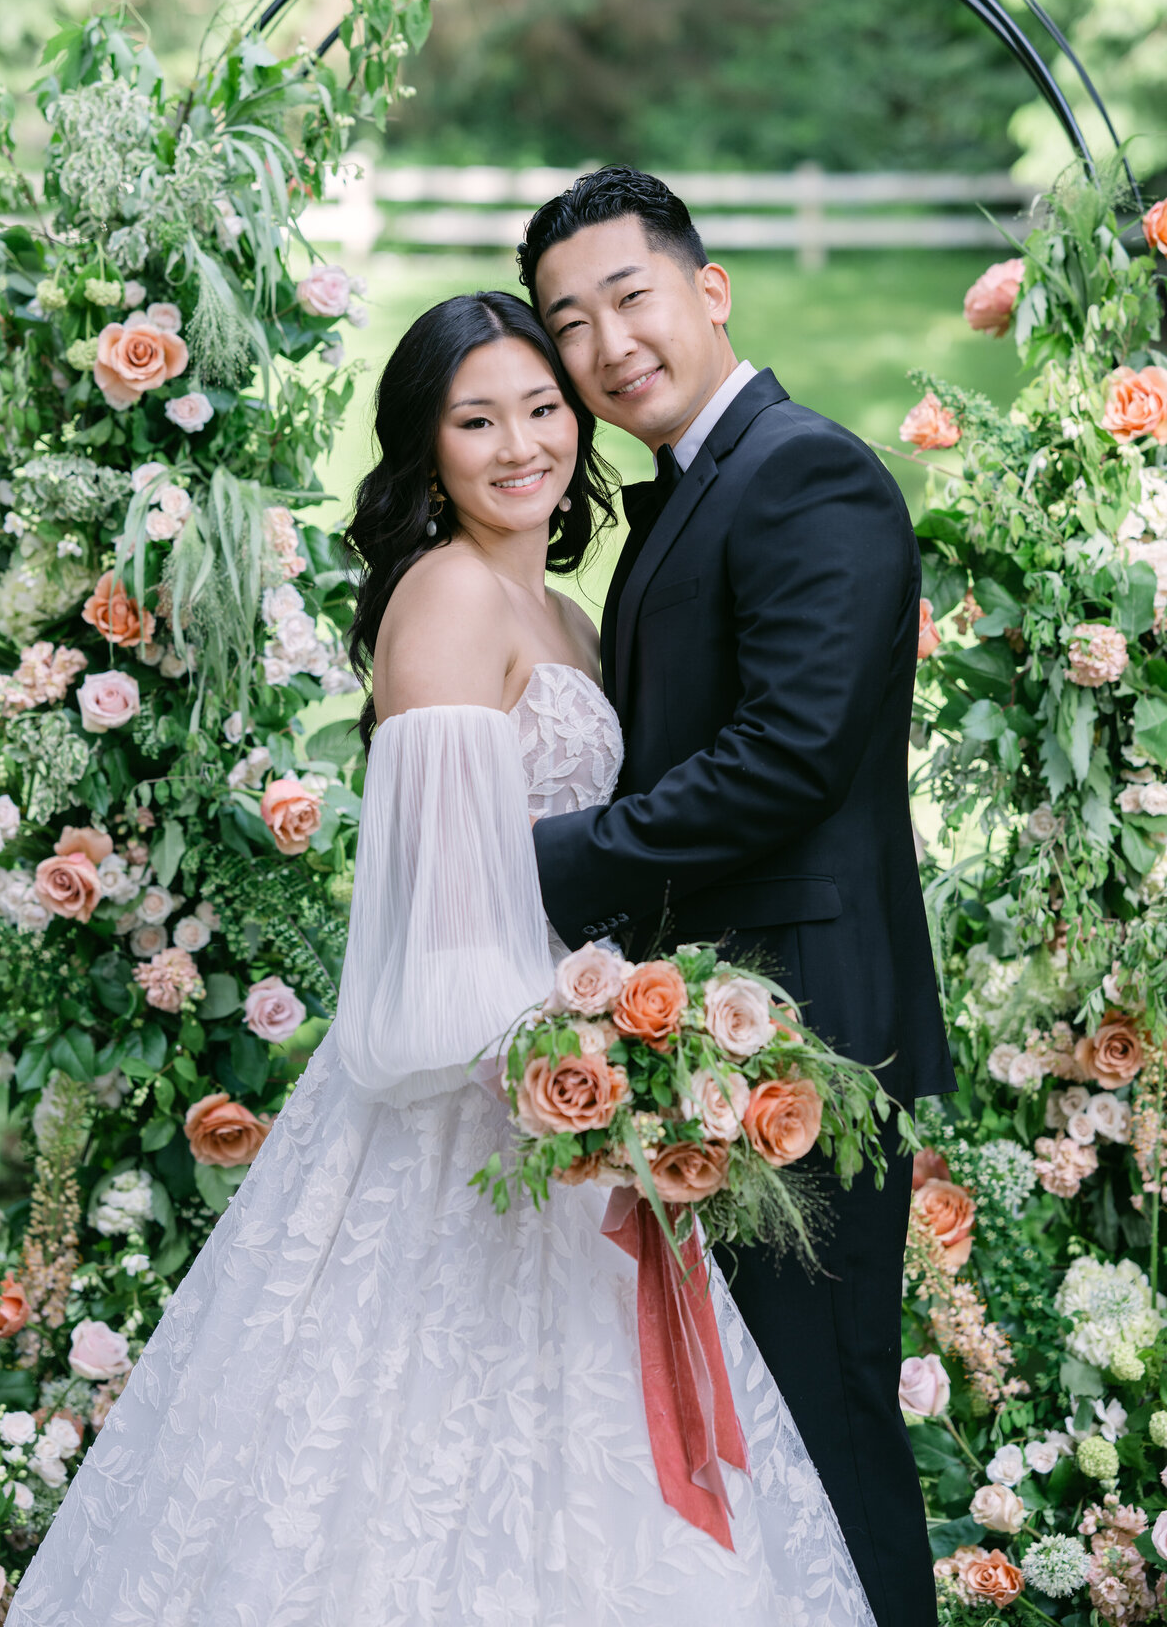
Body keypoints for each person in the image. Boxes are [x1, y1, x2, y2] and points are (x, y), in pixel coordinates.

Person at [7, 291, 874, 1627]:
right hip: (474, 1102)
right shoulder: (452, 601)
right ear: (427, 452)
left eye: (543, 409)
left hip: (565, 1091)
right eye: (479, 421)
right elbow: (439, 939)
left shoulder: (569, 622)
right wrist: (601, 1067)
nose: (522, 444)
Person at [518, 168, 957, 1627]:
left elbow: (788, 756)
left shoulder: (803, 472)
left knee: (825, 1426)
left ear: (707, 290)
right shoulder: (703, 485)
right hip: (710, 1035)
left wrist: (555, 861)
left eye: (628, 297)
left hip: (807, 1034)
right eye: (567, 325)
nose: (605, 346)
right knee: (745, 1436)